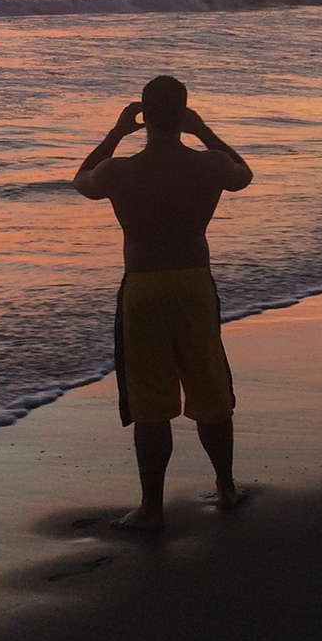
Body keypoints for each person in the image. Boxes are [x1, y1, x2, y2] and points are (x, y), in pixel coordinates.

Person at [73, 75, 254, 531]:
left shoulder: (119, 172)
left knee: (150, 400)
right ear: (184, 114)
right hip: (193, 284)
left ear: (145, 117)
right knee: (210, 386)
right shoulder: (209, 165)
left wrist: (116, 133)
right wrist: (204, 130)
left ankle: (152, 509)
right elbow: (244, 175)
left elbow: (81, 180)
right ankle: (226, 487)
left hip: (143, 288)